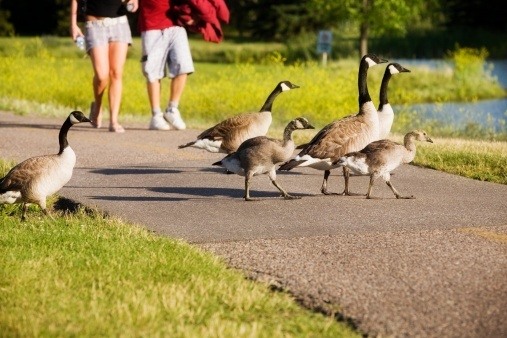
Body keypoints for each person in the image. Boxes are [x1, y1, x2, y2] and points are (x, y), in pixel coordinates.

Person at [138, 0, 229, 131]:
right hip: (152, 23)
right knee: (153, 72)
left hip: (176, 24)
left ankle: (172, 109)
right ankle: (156, 115)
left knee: (183, 66)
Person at [70, 0, 138, 133]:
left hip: (119, 24)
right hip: (94, 24)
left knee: (116, 73)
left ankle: (114, 121)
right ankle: (97, 105)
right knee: (102, 75)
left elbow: (132, 2)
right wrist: (73, 24)